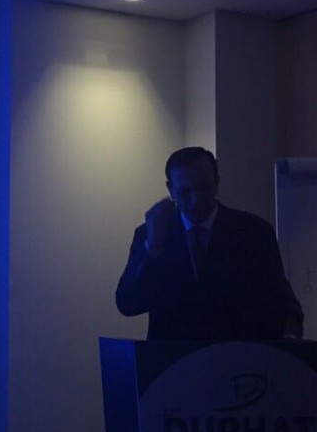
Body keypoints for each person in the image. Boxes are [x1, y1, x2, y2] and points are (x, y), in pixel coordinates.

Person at [116, 146, 301, 341]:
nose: (196, 199)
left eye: (204, 189)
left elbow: (280, 299)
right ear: (170, 189)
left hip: (236, 355)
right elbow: (128, 303)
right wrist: (152, 248)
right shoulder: (150, 234)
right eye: (186, 191)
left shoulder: (254, 233)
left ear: (217, 183)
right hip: (173, 358)